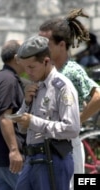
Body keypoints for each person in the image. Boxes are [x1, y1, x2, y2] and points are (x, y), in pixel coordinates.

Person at [38, 8, 100, 189]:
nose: (41, 49)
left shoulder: (71, 70)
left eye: (46, 44)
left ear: (62, 45)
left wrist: (76, 120)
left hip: (66, 147)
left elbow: (97, 96)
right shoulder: (46, 71)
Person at [13, 35, 80, 190]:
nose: (27, 72)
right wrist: (26, 103)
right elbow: (23, 128)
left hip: (52, 159)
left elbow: (72, 128)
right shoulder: (35, 86)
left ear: (46, 61)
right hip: (31, 159)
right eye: (25, 68)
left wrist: (33, 122)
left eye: (31, 67)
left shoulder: (62, 87)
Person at [0, 39, 26, 190]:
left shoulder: (2, 77)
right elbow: (5, 118)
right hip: (8, 157)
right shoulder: (8, 81)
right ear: (16, 58)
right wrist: (14, 151)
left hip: (0, 157)